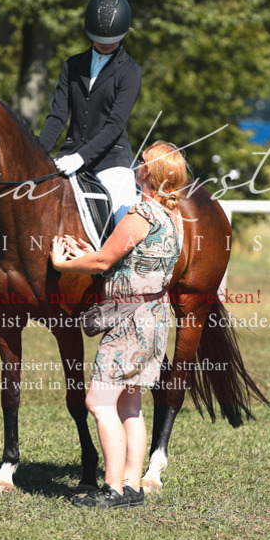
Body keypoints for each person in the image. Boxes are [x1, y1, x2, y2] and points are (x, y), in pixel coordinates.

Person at [50, 141, 188, 509]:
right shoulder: (173, 216)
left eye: (142, 161)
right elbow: (131, 261)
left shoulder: (141, 213)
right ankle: (132, 487)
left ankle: (111, 488)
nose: (136, 164)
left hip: (130, 320)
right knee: (131, 404)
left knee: (98, 400)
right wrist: (93, 256)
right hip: (155, 316)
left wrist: (63, 264)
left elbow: (102, 263)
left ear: (149, 173)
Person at [39, 0, 141, 225]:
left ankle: (125, 250)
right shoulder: (72, 65)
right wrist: (38, 153)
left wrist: (81, 158)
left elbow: (115, 125)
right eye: (99, 38)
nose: (104, 44)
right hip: (68, 155)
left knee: (124, 215)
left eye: (111, 39)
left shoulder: (130, 72)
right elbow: (57, 117)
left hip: (111, 161)